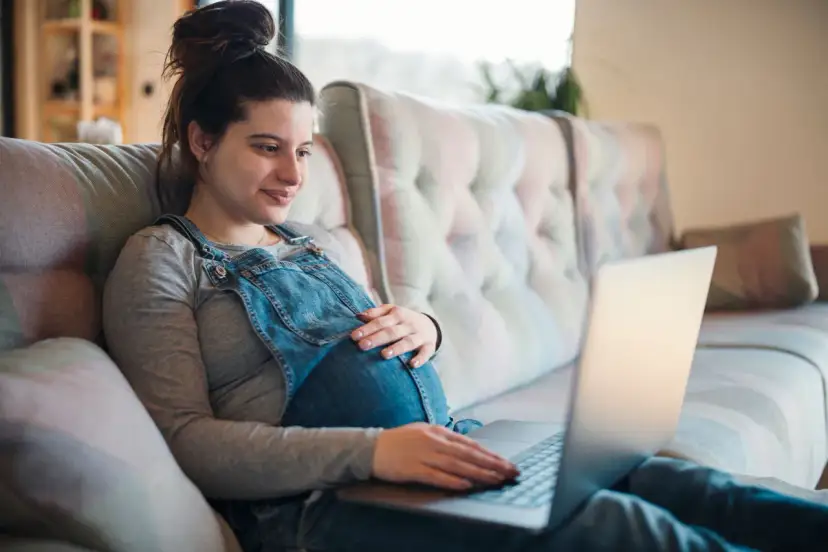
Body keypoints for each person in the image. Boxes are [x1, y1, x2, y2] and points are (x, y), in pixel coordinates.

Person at [102, 2, 828, 551]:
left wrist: (426, 325)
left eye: (304, 150)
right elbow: (186, 439)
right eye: (267, 148)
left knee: (684, 481)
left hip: (444, 448)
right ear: (202, 141)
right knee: (621, 527)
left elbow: (384, 345)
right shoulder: (160, 260)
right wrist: (376, 452)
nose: (294, 175)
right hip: (323, 503)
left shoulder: (312, 243)